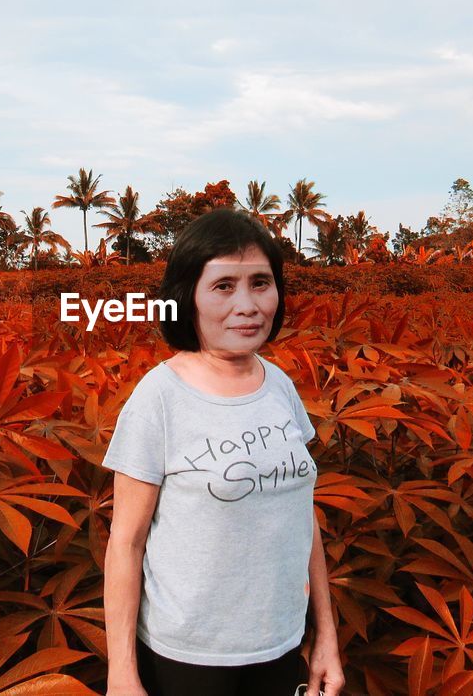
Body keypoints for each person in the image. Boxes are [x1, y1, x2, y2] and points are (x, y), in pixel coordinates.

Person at [102, 208, 346, 696]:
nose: (248, 304)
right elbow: (125, 545)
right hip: (187, 657)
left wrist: (326, 639)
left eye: (261, 282)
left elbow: (301, 518)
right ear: (185, 297)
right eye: (223, 286)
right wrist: (122, 674)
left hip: (280, 645)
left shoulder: (279, 385)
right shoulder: (159, 397)